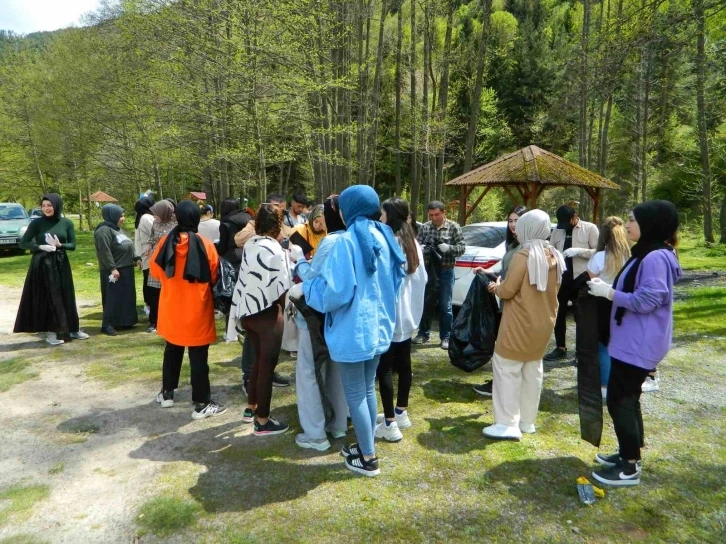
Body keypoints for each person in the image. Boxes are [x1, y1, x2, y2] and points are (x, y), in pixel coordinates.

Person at [296, 185, 405, 477]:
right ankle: (366, 446)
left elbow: (336, 294)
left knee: (356, 392)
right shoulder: (385, 235)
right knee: (366, 388)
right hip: (379, 327)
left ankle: (368, 458)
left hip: (352, 330)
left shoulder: (346, 242)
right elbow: (396, 282)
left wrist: (308, 285)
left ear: (351, 208)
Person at [587, 201, 680, 486]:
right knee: (628, 399)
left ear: (650, 223)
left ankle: (629, 468)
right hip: (633, 339)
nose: (626, 225)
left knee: (619, 401)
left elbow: (649, 299)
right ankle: (630, 454)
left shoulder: (654, 257)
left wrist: (609, 293)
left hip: (639, 342)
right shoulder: (648, 252)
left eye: (632, 220)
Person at [483, 209, 565, 441]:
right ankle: (527, 421)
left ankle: (507, 423)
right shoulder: (554, 254)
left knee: (507, 368)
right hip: (545, 321)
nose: (516, 229)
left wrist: (496, 287)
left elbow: (508, 290)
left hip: (519, 321)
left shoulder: (525, 254)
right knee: (532, 370)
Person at [150, 200, 226, 420]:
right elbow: (213, 275)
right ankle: (201, 403)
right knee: (198, 355)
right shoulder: (205, 244)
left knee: (172, 350)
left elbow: (155, 271)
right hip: (197, 307)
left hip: (172, 305)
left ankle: (167, 393)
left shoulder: (166, 241)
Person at [226, 204, 293, 435]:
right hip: (267, 314)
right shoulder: (276, 250)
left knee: (257, 362)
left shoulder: (251, 245)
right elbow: (283, 286)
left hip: (247, 313)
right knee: (267, 366)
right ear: (277, 226)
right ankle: (263, 421)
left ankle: (251, 407)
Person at [289, 196, 349, 451]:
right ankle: (338, 425)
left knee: (309, 373)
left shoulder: (332, 241)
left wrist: (299, 260)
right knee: (335, 371)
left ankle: (315, 434)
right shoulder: (353, 239)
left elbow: (313, 280)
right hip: (340, 316)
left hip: (316, 317)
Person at [374, 197, 427, 442]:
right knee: (404, 363)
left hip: (390, 315)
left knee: (384, 367)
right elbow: (422, 280)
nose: (380, 219)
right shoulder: (413, 242)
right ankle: (401, 411)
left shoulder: (389, 244)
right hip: (407, 316)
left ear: (391, 217)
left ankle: (389, 423)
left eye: (383, 215)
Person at [14, 193, 89, 345]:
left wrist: (60, 245)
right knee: (50, 296)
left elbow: (72, 245)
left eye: (49, 205)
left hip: (61, 262)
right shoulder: (37, 223)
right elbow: (24, 243)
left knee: (66, 294)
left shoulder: (67, 223)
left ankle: (73, 328)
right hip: (43, 263)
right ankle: (52, 332)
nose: (46, 208)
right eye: (44, 206)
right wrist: (40, 246)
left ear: (57, 206)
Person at [473, 204, 528, 397]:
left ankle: (502, 386)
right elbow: (506, 272)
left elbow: (518, 279)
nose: (513, 225)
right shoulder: (513, 243)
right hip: (506, 301)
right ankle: (502, 383)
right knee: (504, 345)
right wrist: (488, 272)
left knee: (508, 347)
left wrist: (499, 285)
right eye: (511, 221)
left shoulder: (526, 247)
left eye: (517, 221)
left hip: (516, 304)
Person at [544, 205, 599, 362]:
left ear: (575, 216)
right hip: (561, 278)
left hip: (581, 278)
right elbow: (550, 249)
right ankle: (560, 347)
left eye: (568, 222)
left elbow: (600, 252)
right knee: (558, 313)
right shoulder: (558, 230)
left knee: (581, 315)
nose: (566, 227)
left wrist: (579, 251)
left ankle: (581, 351)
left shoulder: (590, 228)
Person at [586, 217, 631, 398]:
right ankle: (622, 383)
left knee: (604, 345)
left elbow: (590, 279)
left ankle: (605, 385)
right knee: (622, 343)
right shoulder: (631, 256)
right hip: (625, 301)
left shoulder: (599, 257)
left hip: (603, 303)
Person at [413, 201, 465, 349]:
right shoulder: (425, 228)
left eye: (437, 214)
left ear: (444, 213)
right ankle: (423, 334)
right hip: (429, 270)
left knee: (445, 305)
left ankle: (446, 337)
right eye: (431, 215)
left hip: (446, 269)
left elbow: (462, 248)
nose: (434, 218)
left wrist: (449, 248)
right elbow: (417, 245)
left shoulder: (453, 227)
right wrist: (421, 249)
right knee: (427, 303)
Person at [94, 205, 138, 336]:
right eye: (120, 216)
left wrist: (137, 258)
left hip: (126, 268)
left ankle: (124, 321)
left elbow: (129, 244)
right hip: (113, 271)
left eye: (123, 215)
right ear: (111, 215)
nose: (123, 218)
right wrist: (112, 268)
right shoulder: (103, 231)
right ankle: (107, 325)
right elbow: (104, 251)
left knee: (125, 297)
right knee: (112, 298)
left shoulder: (118, 229)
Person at [145, 200, 177, 333]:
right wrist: (149, 246)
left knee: (168, 292)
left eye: (157, 214)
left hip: (168, 261)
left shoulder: (176, 223)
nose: (155, 217)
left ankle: (170, 319)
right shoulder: (156, 222)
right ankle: (154, 321)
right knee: (154, 292)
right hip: (155, 260)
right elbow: (152, 237)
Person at [134, 194, 155, 315]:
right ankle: (150, 306)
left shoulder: (140, 217)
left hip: (144, 254)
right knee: (150, 282)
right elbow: (157, 230)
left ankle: (148, 305)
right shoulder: (147, 217)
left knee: (147, 280)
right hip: (149, 253)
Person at [216, 198, 252, 269]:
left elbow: (223, 246)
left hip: (233, 258)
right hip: (250, 253)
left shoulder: (226, 223)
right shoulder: (248, 217)